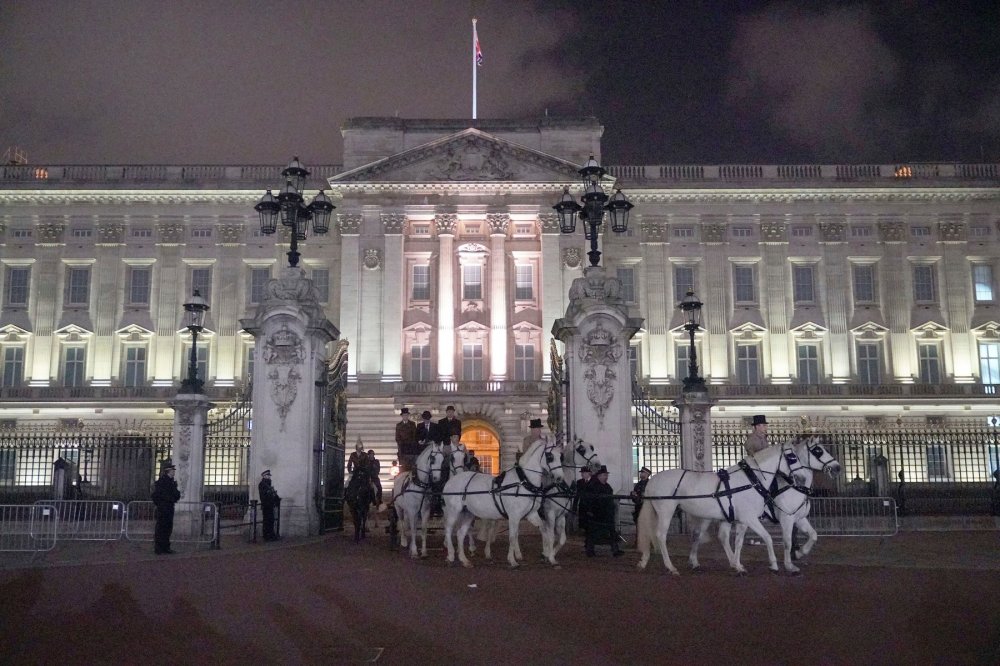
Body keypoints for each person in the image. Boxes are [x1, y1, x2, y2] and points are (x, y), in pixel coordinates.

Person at [585, 465, 623, 557]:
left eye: (606, 475)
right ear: (599, 476)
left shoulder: (608, 487)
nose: (606, 477)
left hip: (608, 513)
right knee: (592, 532)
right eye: (604, 475)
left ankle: (615, 550)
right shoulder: (593, 486)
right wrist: (590, 510)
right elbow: (589, 500)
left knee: (612, 531)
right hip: (596, 513)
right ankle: (590, 550)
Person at [151, 458, 180, 555]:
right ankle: (160, 547)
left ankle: (165, 546)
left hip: (168, 507)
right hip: (164, 508)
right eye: (173, 470)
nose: (174, 472)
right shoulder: (163, 482)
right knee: (162, 528)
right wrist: (162, 503)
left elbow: (176, 495)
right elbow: (156, 495)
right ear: (169, 471)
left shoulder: (171, 482)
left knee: (167, 528)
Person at [258, 469, 281, 542]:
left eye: (269, 475)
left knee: (271, 520)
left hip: (270, 505)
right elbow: (263, 495)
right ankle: (267, 536)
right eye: (268, 475)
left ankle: (271, 535)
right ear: (264, 476)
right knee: (267, 521)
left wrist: (276, 499)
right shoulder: (262, 484)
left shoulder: (268, 484)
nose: (269, 477)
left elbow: (272, 493)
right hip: (266, 505)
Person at [394, 407, 419, 472]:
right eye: (404, 415)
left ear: (408, 416)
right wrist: (401, 445)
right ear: (402, 416)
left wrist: (411, 444)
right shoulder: (399, 425)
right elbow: (397, 437)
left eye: (406, 415)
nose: (405, 416)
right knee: (404, 465)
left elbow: (414, 435)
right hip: (402, 447)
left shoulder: (412, 424)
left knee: (412, 464)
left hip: (411, 447)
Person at [572, 468, 592, 533]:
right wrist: (574, 506)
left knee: (590, 521)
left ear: (588, 473)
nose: (582, 474)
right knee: (582, 522)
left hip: (591, 506)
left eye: (583, 473)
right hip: (582, 505)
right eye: (581, 473)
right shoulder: (579, 482)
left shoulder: (594, 482)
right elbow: (577, 495)